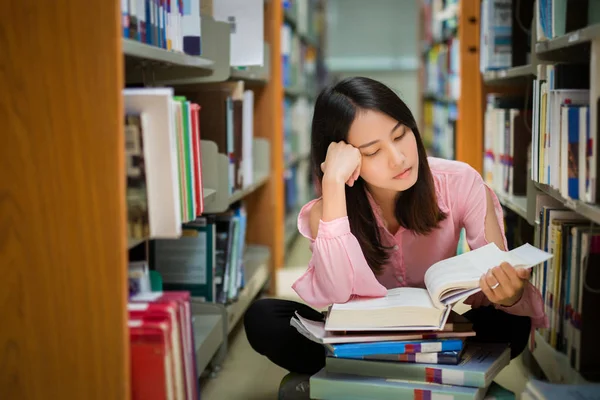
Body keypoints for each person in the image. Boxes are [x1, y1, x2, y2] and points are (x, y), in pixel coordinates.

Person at [244, 77, 547, 381]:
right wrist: (333, 183)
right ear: (344, 159)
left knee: (511, 323)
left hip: (439, 333)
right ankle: (429, 375)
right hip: (360, 340)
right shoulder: (328, 207)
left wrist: (507, 294)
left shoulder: (461, 182)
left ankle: (368, 378)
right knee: (263, 318)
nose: (399, 158)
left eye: (401, 134)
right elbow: (335, 291)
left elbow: (496, 271)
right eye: (373, 151)